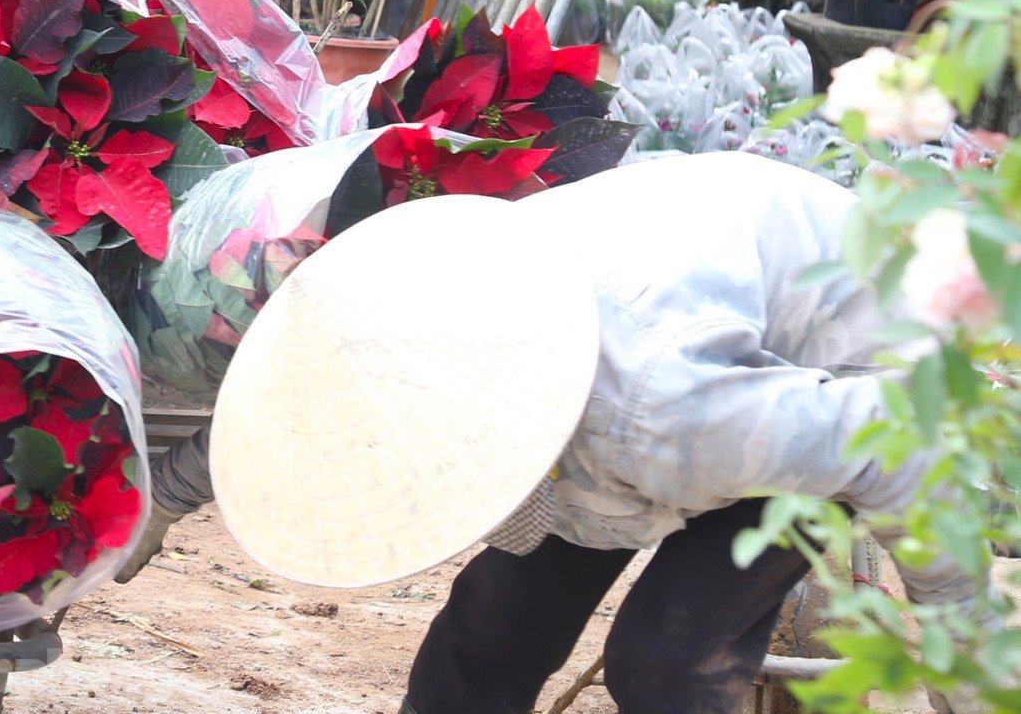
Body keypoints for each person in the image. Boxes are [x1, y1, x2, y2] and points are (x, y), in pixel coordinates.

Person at [140, 153, 994, 714]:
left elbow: (898, 451)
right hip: (662, 358)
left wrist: (962, 642)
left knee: (666, 658)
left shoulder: (662, 414)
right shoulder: (422, 310)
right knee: (490, 623)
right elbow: (299, 411)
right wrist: (162, 501)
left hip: (853, 380)